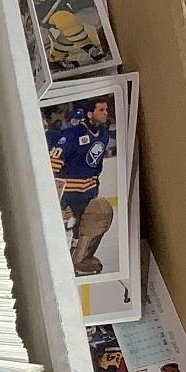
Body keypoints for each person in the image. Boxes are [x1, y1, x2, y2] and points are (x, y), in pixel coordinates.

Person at [46, 97, 115, 274]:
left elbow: (95, 163)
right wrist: (54, 197)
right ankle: (54, 264)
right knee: (60, 226)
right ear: (90, 114)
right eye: (101, 110)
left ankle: (79, 259)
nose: (105, 113)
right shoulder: (73, 134)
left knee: (97, 216)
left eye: (106, 109)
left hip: (88, 189)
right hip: (68, 190)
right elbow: (54, 161)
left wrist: (94, 184)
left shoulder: (104, 132)